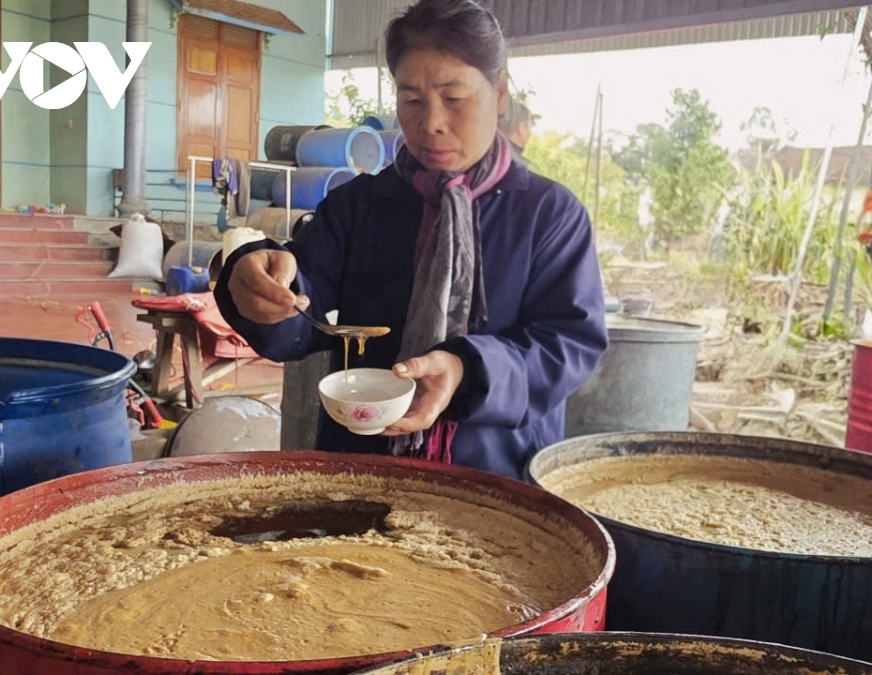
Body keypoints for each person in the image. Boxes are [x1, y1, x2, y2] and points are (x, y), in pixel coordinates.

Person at [215, 0, 607, 480]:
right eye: (412, 99)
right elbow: (303, 307)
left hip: (496, 472)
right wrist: (258, 284)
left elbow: (567, 345)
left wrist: (466, 371)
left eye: (454, 97)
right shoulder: (361, 205)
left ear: (500, 92)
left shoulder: (548, 215)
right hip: (364, 464)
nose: (431, 123)